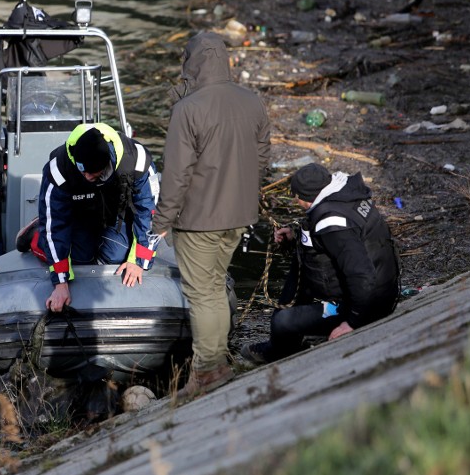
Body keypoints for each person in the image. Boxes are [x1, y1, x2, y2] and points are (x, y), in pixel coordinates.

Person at [152, 31, 271, 400]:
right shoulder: (252, 101)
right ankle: (218, 360)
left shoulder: (188, 109)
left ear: (191, 63)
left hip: (198, 221)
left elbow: (176, 174)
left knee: (202, 294)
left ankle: (205, 372)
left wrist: (160, 222)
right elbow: (263, 157)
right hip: (239, 217)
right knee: (216, 286)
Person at [241, 163, 400, 364]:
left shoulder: (332, 222)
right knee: (300, 263)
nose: (295, 200)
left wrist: (352, 322)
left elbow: (362, 274)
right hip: (372, 292)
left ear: (305, 198)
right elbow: (330, 242)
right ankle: (288, 337)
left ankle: (281, 350)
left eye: (296, 196)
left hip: (369, 304)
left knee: (283, 322)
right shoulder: (343, 196)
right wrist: (295, 236)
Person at [16, 123, 161, 313]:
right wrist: (60, 282)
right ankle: (35, 235)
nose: (85, 177)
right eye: (81, 171)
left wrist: (139, 261)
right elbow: (56, 226)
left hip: (114, 215)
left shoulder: (137, 161)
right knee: (80, 259)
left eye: (91, 173)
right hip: (77, 215)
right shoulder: (59, 169)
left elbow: (148, 211)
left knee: (118, 257)